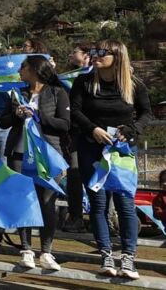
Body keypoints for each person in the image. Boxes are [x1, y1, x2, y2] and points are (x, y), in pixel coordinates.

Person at [71, 39, 151, 280]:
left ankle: (128, 257)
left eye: (101, 52)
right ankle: (106, 255)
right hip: (92, 151)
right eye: (93, 51)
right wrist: (92, 129)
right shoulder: (84, 82)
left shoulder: (133, 84)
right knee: (99, 204)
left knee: (126, 204)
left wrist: (133, 129)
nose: (94, 55)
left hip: (122, 152)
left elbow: (146, 112)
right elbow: (75, 111)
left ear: (117, 56)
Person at [0, 56, 70, 271]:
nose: (20, 70)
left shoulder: (58, 93)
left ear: (35, 69)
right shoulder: (16, 93)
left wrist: (37, 115)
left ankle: (46, 251)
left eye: (23, 66)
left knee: (47, 203)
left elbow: (65, 124)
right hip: (19, 154)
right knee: (24, 201)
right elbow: (2, 122)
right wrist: (16, 114)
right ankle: (26, 249)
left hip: (48, 155)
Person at [63, 41, 94, 234]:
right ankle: (76, 217)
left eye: (75, 51)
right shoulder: (68, 77)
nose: (71, 54)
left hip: (96, 130)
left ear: (86, 55)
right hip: (74, 131)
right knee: (74, 174)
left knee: (98, 174)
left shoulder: (99, 74)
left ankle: (103, 217)